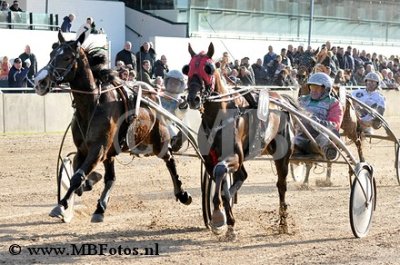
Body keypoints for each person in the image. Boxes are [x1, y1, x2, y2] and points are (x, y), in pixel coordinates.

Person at [294, 72, 344, 160]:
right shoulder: (302, 100)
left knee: (324, 137)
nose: (313, 90)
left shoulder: (334, 103)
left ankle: (329, 151)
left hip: (318, 136)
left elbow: (334, 125)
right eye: (312, 87)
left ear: (326, 89)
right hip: (300, 134)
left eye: (317, 88)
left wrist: (316, 122)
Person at [159, 70, 188, 152]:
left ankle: (174, 143)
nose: (173, 84)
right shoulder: (158, 94)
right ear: (166, 82)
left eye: (176, 83)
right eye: (171, 82)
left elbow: (179, 116)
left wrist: (182, 107)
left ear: (181, 85)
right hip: (154, 121)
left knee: (169, 127)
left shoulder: (181, 101)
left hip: (169, 125)